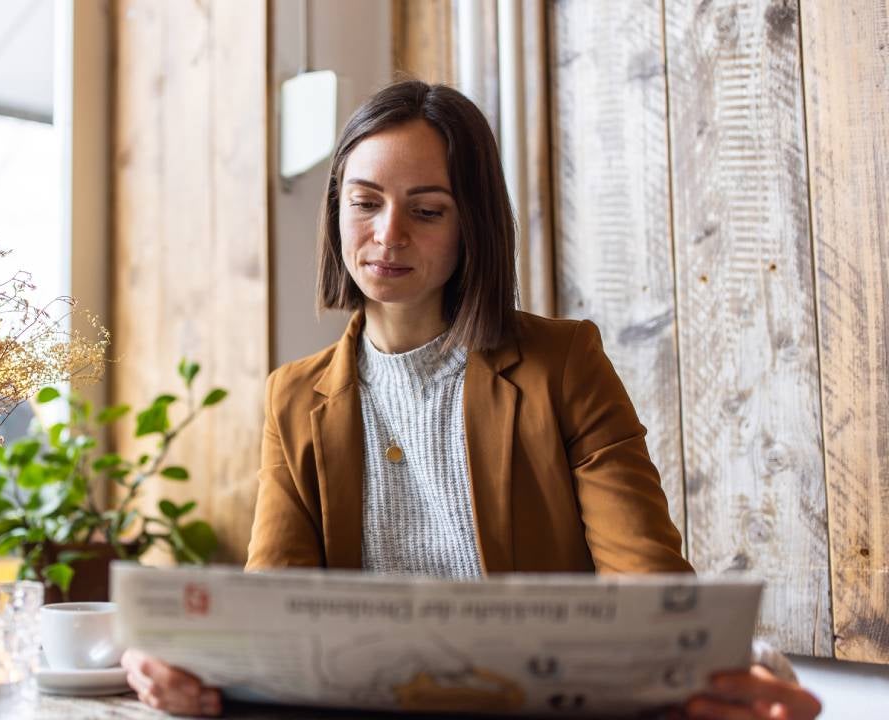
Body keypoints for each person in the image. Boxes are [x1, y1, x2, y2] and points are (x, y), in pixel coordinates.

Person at [122, 81, 822, 720]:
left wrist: (738, 670)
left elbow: (652, 593)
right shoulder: (295, 397)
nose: (387, 235)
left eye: (426, 211)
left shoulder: (563, 366)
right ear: (338, 209)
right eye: (365, 202)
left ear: (471, 226)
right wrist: (190, 670)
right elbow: (269, 619)